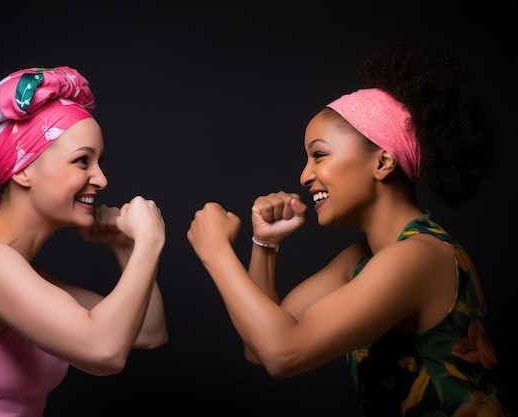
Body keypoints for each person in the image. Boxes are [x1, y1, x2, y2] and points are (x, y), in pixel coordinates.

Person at [187, 40, 510, 416]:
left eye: (319, 155)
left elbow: (283, 353)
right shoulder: (363, 259)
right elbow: (259, 347)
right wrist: (265, 244)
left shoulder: (419, 256)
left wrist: (216, 252)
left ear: (383, 162)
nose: (305, 175)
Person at [0, 66, 168, 417]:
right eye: (82, 161)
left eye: (99, 162)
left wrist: (125, 247)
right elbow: (105, 352)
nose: (101, 179)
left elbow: (148, 331)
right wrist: (149, 241)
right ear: (22, 167)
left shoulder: (22, 272)